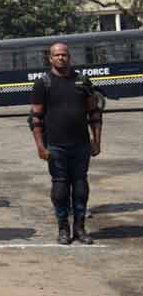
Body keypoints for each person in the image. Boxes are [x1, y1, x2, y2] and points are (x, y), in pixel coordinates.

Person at [30, 42, 103, 245]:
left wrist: (96, 140)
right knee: (60, 187)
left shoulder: (82, 81)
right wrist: (40, 146)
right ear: (50, 58)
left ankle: (80, 229)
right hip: (55, 146)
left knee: (80, 185)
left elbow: (94, 113)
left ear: (69, 57)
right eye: (57, 55)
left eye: (64, 55)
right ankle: (63, 228)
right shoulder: (43, 83)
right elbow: (35, 118)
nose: (61, 58)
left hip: (81, 145)